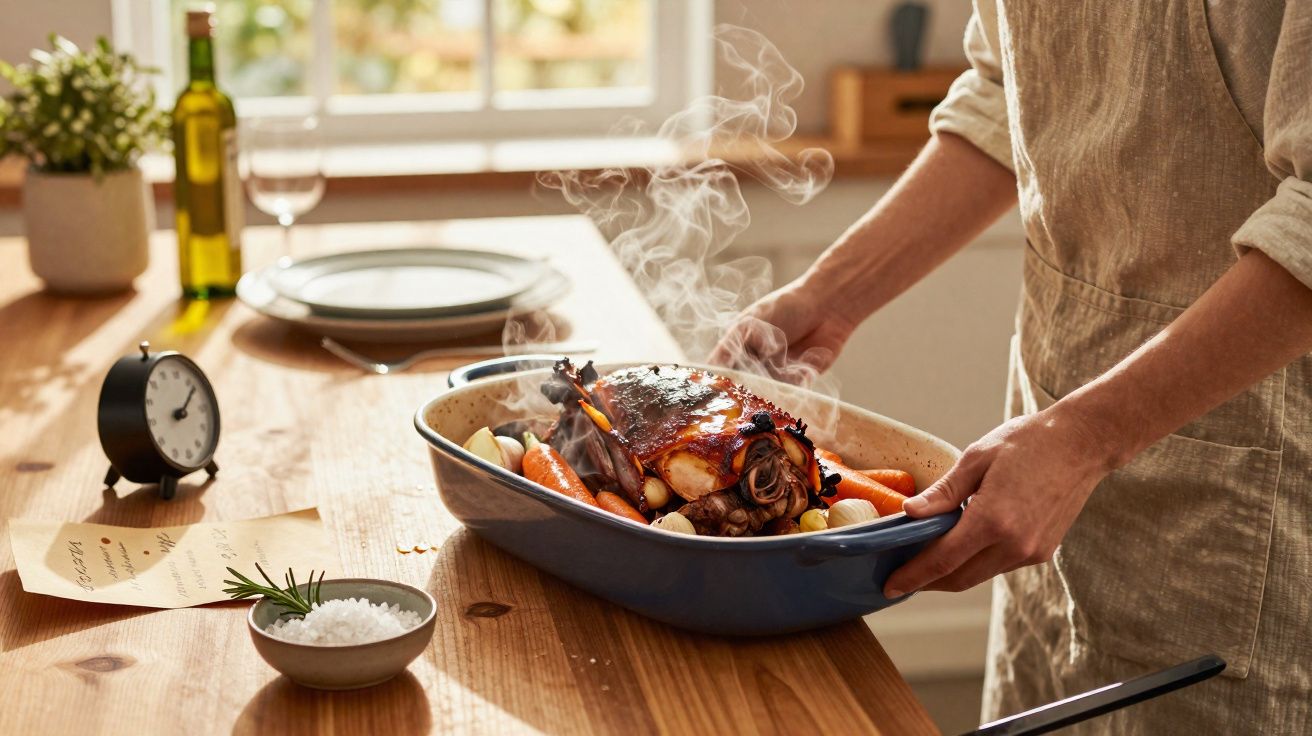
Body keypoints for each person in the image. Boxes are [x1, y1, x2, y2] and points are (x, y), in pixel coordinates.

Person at [710, 3, 1311, 733]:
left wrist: (1088, 434)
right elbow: (1005, 93)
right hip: (1051, 426)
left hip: (1247, 497)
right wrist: (829, 296)